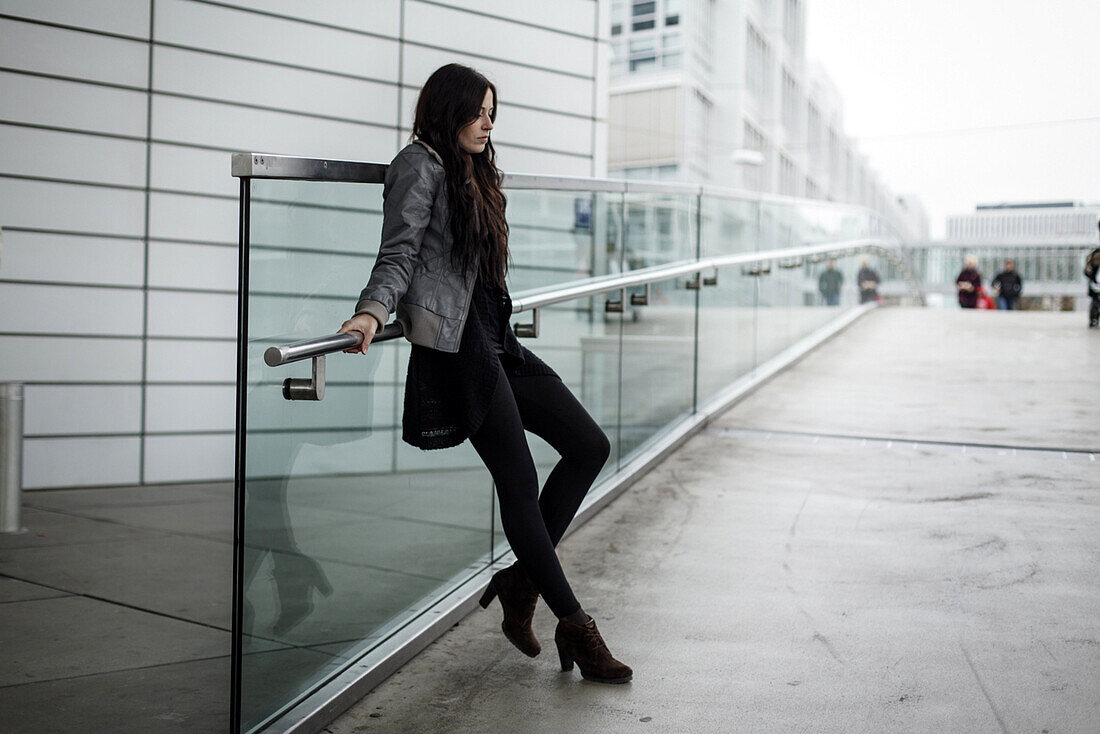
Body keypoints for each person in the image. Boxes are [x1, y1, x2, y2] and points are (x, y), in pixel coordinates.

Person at [336, 64, 631, 684]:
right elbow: (399, 252)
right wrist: (370, 313)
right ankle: (576, 626)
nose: (487, 122)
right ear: (448, 110)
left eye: (493, 112)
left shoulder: (477, 170)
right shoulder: (420, 164)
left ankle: (520, 583)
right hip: (457, 346)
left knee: (588, 445)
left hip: (497, 336)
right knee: (519, 481)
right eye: (477, 111)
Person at [1086, 223, 1100, 328]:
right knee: (1095, 303)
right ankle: (1093, 318)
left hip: (1095, 283)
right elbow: (1087, 271)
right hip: (1095, 284)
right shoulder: (1094, 253)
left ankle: (1094, 318)